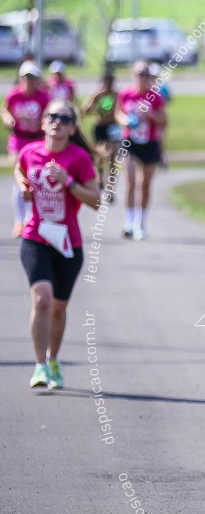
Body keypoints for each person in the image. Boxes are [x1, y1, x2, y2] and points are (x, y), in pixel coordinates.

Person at [15, 100, 101, 389]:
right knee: (42, 299)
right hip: (35, 237)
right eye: (52, 116)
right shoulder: (30, 152)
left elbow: (96, 201)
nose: (57, 122)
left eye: (65, 118)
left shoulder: (78, 159)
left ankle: (53, 360)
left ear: (73, 127)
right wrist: (23, 186)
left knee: (58, 308)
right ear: (43, 123)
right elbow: (19, 168)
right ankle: (39, 366)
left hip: (68, 243)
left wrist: (70, 182)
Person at [116, 60, 166, 240]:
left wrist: (150, 116)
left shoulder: (156, 96)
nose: (142, 77)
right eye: (139, 74)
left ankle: (140, 222)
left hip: (149, 142)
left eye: (145, 74)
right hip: (130, 141)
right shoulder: (126, 94)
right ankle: (128, 223)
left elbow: (164, 121)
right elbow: (118, 113)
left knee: (144, 183)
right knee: (129, 179)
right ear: (133, 75)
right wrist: (125, 121)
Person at [4, 61, 51, 237]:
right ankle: (19, 221)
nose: (28, 81)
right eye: (25, 77)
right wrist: (8, 118)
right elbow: (5, 109)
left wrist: (36, 122)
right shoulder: (14, 95)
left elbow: (49, 118)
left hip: (37, 140)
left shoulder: (43, 97)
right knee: (19, 178)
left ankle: (32, 219)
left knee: (35, 179)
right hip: (18, 139)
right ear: (21, 78)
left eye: (32, 77)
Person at [83, 71, 119, 201]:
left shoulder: (116, 95)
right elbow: (86, 110)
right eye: (106, 81)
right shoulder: (98, 94)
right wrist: (95, 101)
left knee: (112, 158)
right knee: (100, 157)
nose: (108, 84)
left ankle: (110, 188)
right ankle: (100, 180)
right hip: (100, 128)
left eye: (110, 81)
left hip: (113, 127)